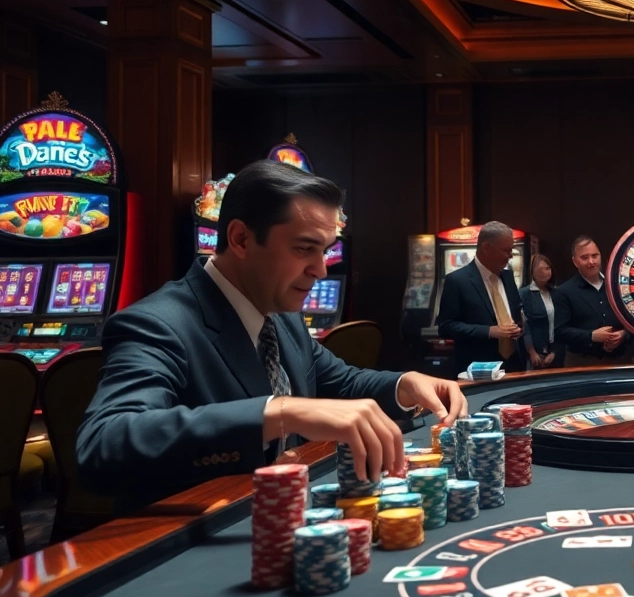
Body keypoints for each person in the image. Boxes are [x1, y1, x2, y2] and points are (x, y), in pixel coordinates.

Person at [76, 161, 468, 510]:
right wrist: (279, 411)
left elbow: (342, 382)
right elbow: (104, 445)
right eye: (304, 249)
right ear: (241, 239)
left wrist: (406, 383)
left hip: (277, 516)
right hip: (186, 545)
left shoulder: (281, 316)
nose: (320, 270)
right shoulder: (157, 323)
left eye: (326, 251)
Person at [436, 221, 524, 373]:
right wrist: (490, 331)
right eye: (506, 250)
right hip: (477, 368)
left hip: (514, 365)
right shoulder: (457, 280)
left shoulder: (508, 277)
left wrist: (518, 327)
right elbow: (446, 327)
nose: (510, 256)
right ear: (486, 248)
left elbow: (515, 314)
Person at [554, 235, 634, 367]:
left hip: (620, 361)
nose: (591, 261)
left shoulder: (617, 287)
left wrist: (624, 334)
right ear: (575, 261)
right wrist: (591, 336)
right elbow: (559, 332)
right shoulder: (564, 292)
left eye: (595, 256)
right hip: (582, 364)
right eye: (584, 258)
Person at [520, 253, 564, 370]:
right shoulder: (524, 294)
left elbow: (561, 324)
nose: (544, 272)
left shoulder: (557, 293)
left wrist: (555, 352)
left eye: (547, 268)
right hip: (535, 351)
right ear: (532, 272)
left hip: (555, 350)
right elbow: (525, 327)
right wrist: (532, 352)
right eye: (539, 269)